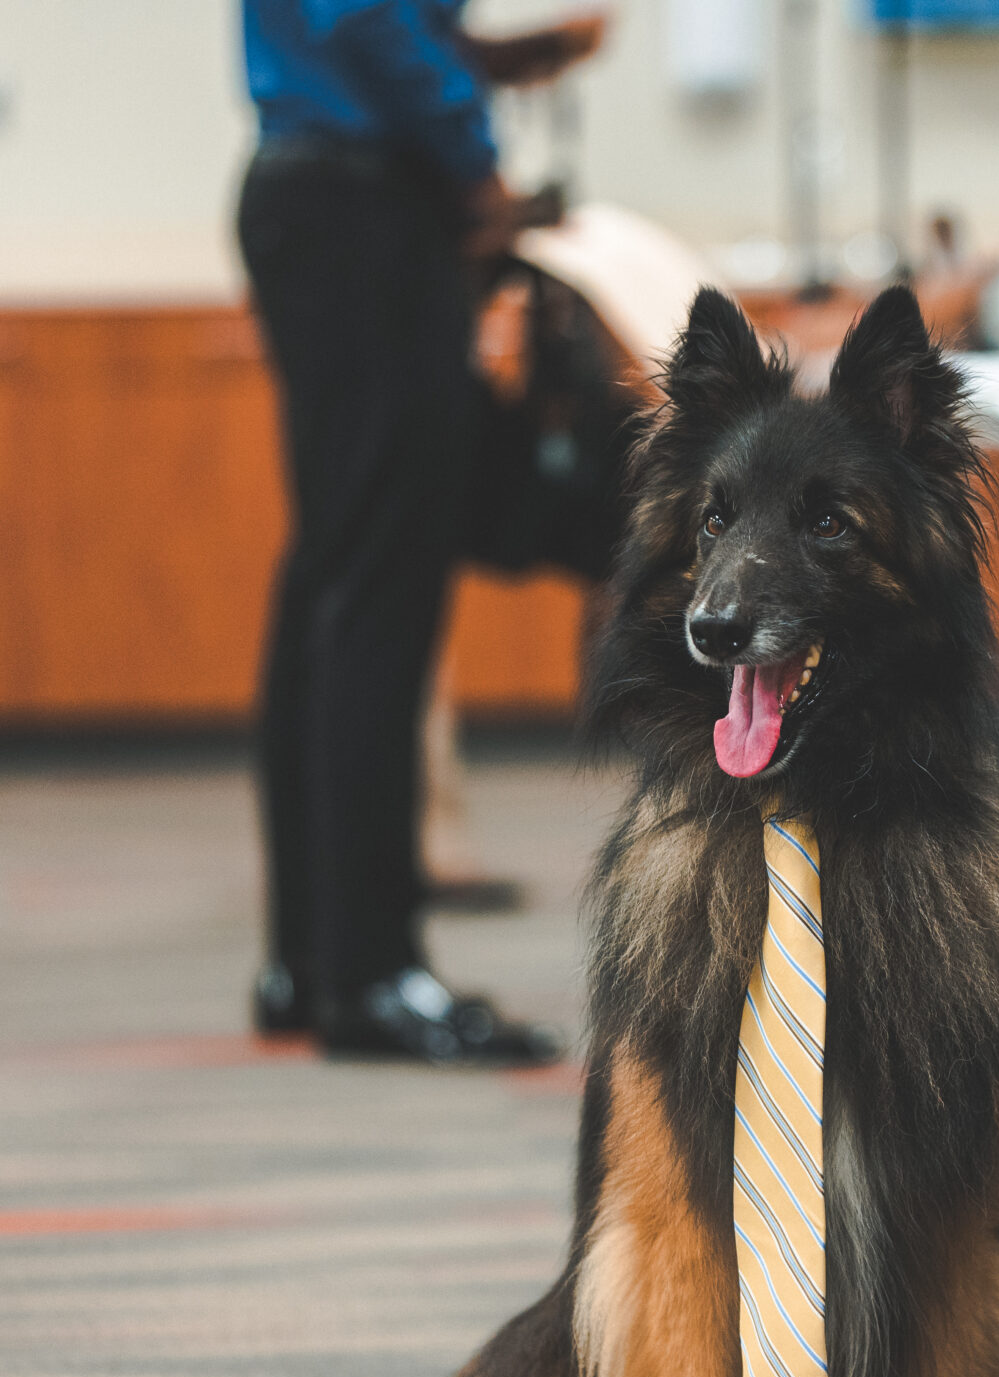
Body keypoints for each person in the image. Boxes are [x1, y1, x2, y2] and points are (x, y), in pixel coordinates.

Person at [237, 0, 602, 1063]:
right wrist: (475, 157)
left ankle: (312, 958)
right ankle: (371, 973)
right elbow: (357, 12)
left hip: (329, 194)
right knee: (375, 596)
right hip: (363, 208)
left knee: (333, 581)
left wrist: (485, 62)